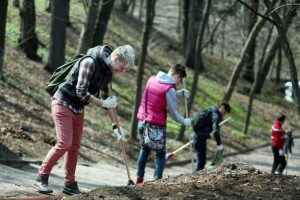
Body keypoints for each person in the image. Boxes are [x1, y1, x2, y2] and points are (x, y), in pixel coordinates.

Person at [33, 44, 135, 195]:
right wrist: (103, 102)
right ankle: (41, 177)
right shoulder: (90, 62)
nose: (123, 70)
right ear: (116, 58)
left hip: (78, 108)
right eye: (123, 65)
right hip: (62, 102)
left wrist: (116, 127)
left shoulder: (107, 74)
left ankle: (70, 184)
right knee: (64, 143)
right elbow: (81, 91)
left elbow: (108, 102)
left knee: (74, 147)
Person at [135, 64, 192, 184]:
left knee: (144, 150)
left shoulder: (152, 79)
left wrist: (177, 92)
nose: (179, 83)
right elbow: (173, 113)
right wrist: (184, 121)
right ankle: (157, 182)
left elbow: (158, 93)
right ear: (177, 76)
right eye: (180, 80)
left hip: (142, 121)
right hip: (156, 126)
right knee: (161, 154)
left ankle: (139, 179)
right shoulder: (170, 88)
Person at [191, 102, 231, 171]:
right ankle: (194, 177)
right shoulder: (216, 115)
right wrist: (219, 143)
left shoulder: (211, 111)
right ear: (222, 108)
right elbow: (215, 130)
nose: (224, 115)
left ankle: (194, 176)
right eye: (225, 112)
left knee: (201, 159)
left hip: (197, 135)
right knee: (201, 161)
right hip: (199, 138)